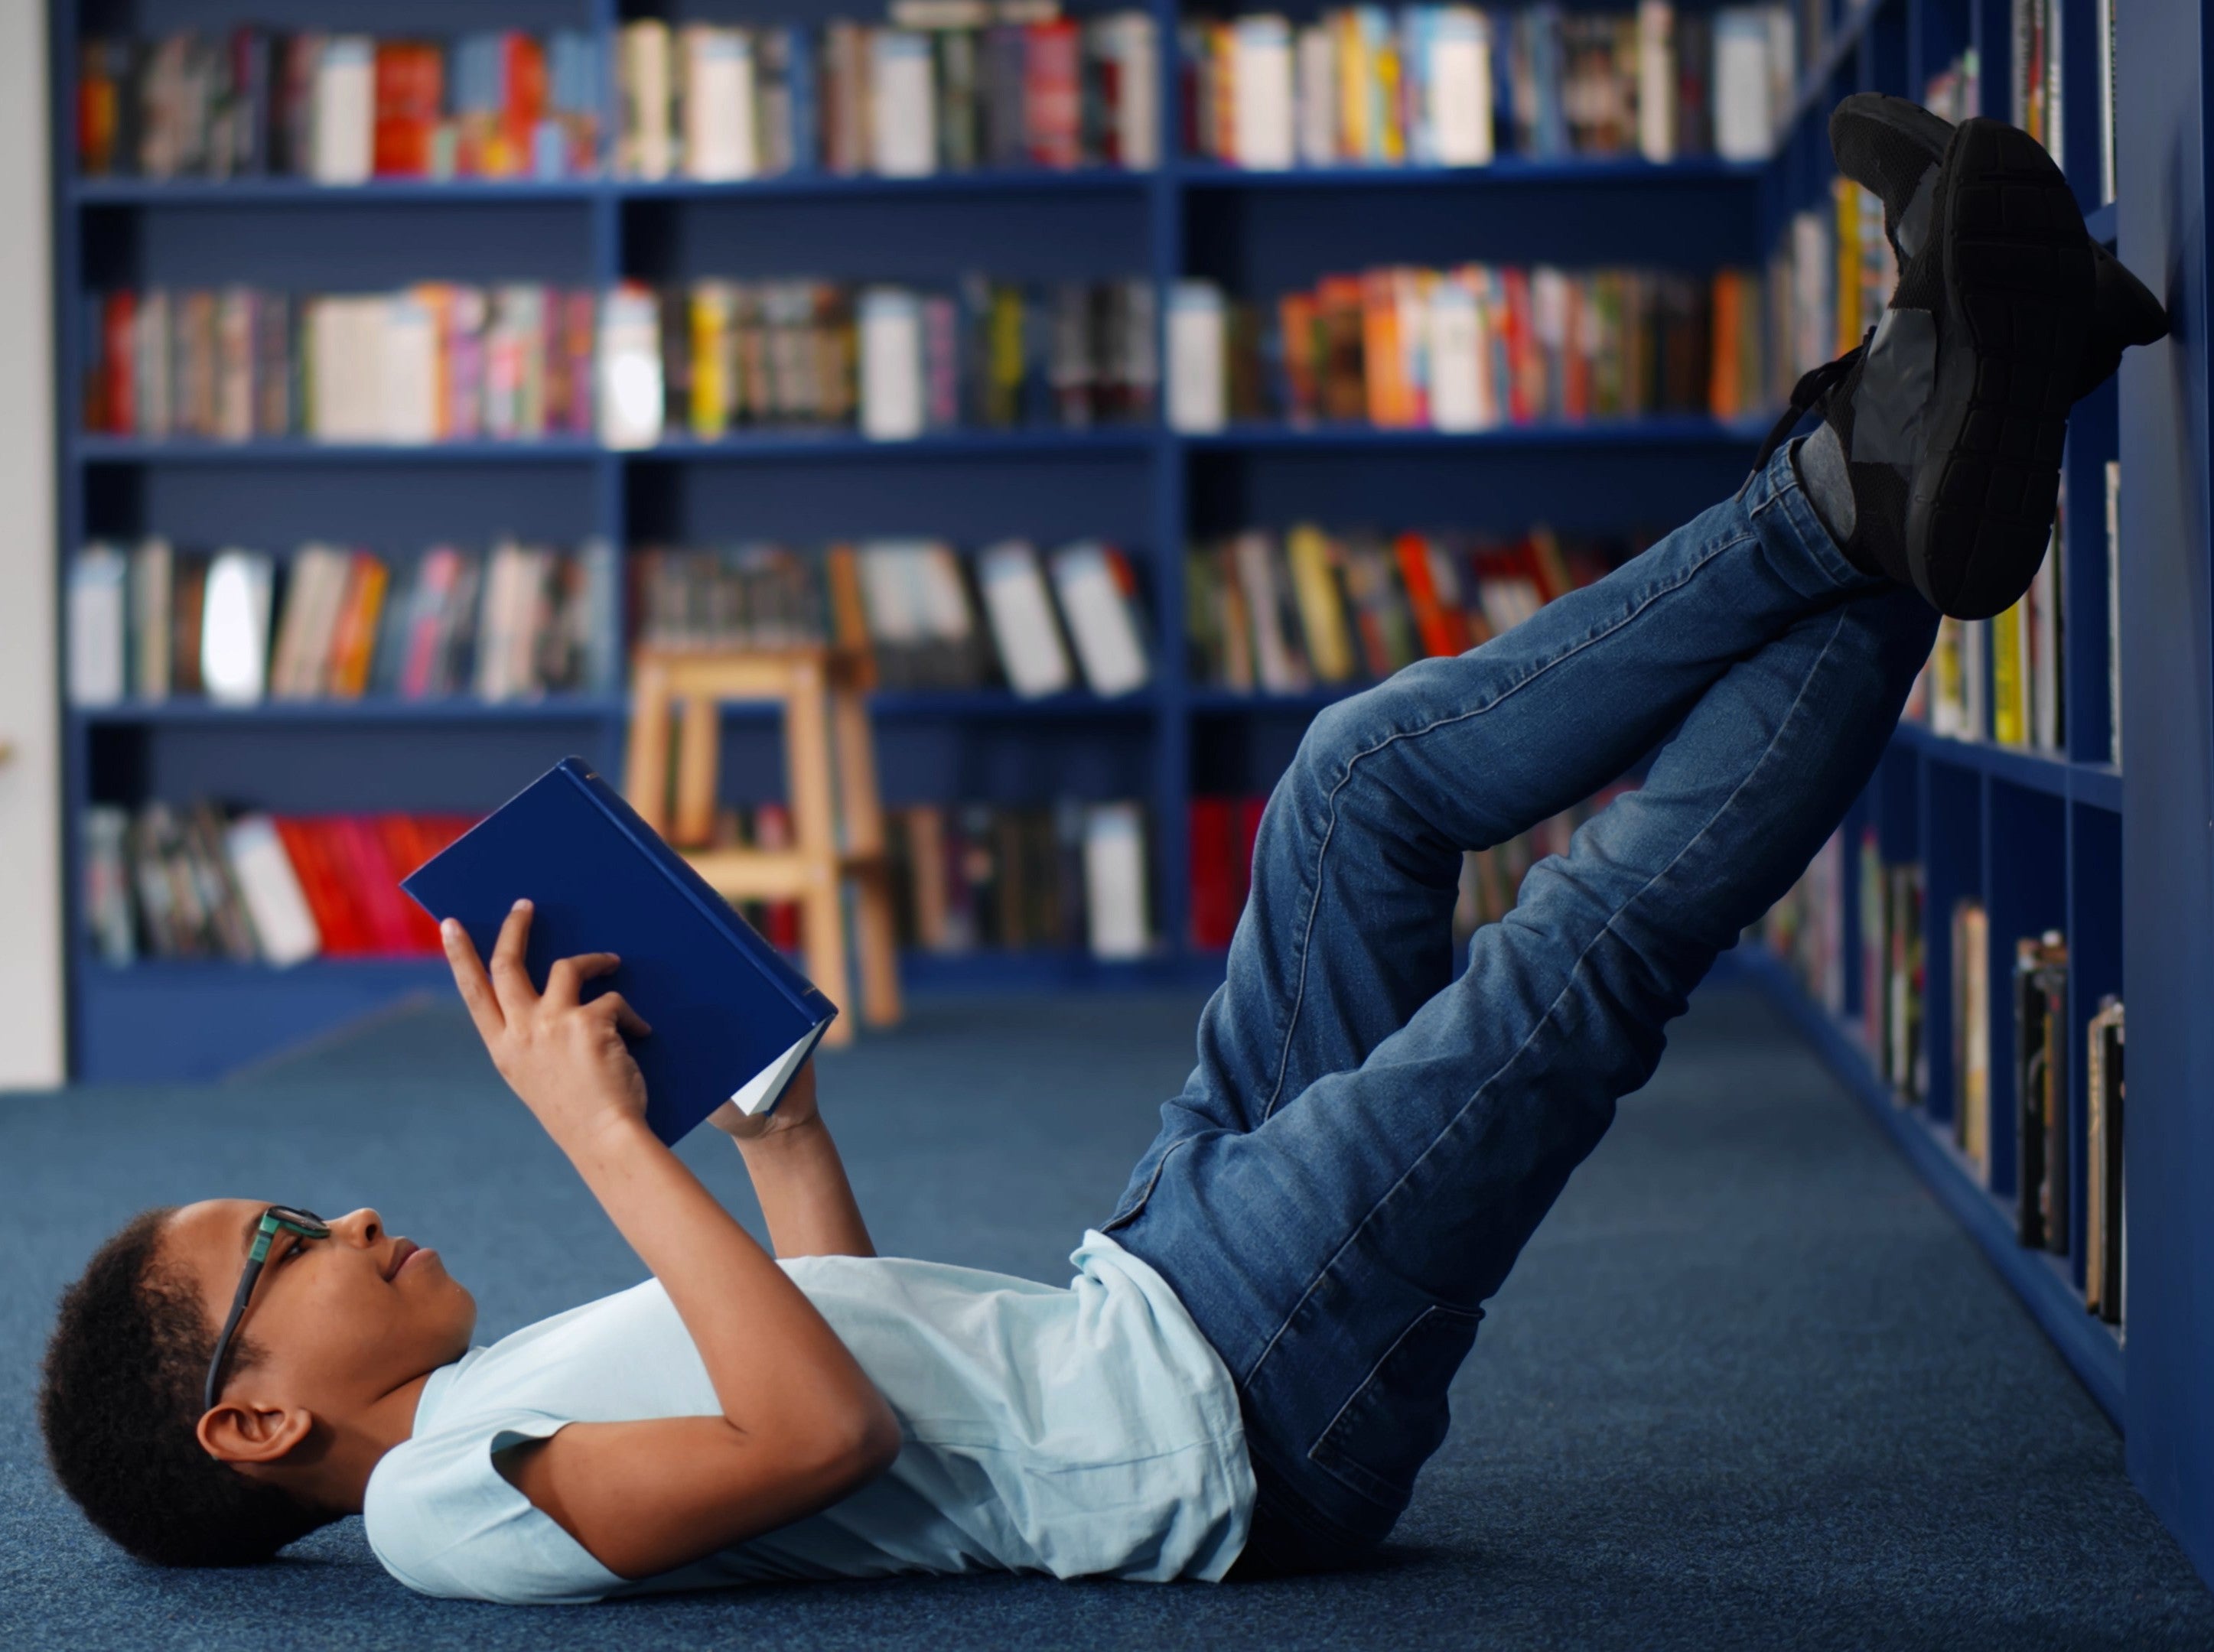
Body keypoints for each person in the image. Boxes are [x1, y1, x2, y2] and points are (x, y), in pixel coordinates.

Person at [39, 102, 2167, 1603]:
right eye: (292, 1233)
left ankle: (1908, 437)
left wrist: (775, 1136)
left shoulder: (474, 1419)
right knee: (1569, 966)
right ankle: (1918, 446)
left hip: (1143, 1285)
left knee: (1348, 781)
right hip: (1227, 1425)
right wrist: (609, 1150)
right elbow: (820, 1444)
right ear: (247, 1427)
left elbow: (832, 1355)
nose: (357, 1210)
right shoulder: (436, 1518)